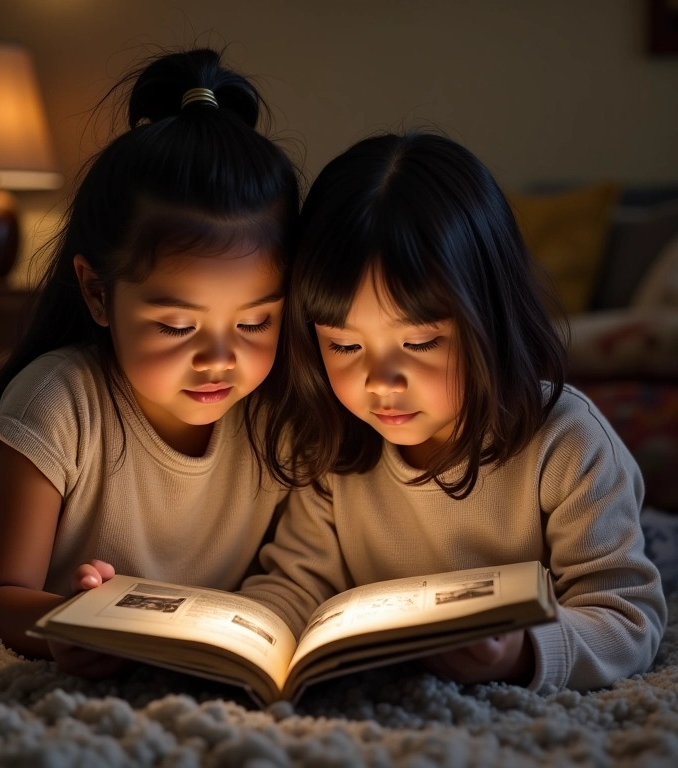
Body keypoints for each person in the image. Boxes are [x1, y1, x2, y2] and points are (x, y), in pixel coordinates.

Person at [0, 47, 299, 676]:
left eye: (256, 322)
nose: (220, 359)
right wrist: (69, 620)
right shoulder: (56, 402)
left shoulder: (281, 417)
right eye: (177, 325)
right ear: (97, 293)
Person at [241, 131, 668, 692]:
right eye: (344, 347)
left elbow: (627, 617)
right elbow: (295, 582)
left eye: (420, 344)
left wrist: (520, 653)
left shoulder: (566, 443)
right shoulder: (333, 446)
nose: (380, 382)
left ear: (489, 316)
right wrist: (243, 636)